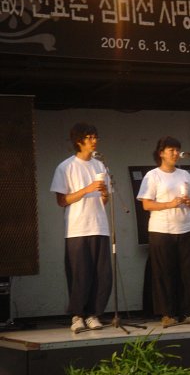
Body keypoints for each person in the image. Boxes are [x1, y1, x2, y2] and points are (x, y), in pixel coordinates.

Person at [50, 123, 112, 332]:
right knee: (79, 273)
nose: (94, 141)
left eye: (95, 137)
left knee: (102, 274)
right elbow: (62, 200)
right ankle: (77, 315)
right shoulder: (66, 166)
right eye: (90, 137)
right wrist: (87, 189)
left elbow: (105, 200)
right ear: (79, 141)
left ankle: (93, 314)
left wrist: (104, 193)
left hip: (100, 226)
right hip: (77, 228)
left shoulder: (100, 165)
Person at [137, 136, 190, 327]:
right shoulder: (153, 175)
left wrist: (188, 201)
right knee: (164, 273)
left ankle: (186, 312)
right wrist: (169, 204)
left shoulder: (185, 174)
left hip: (186, 227)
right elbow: (146, 204)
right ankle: (167, 313)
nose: (175, 153)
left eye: (177, 150)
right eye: (171, 150)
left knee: (186, 272)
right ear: (161, 153)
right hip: (162, 230)